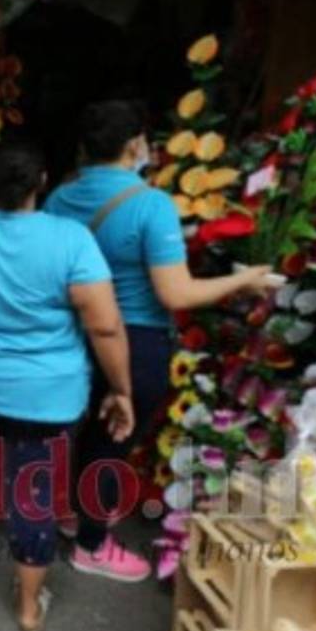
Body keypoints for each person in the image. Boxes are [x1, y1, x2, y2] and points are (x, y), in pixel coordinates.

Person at [44, 100, 278, 582]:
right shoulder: (151, 204)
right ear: (134, 145)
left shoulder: (59, 198)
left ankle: (71, 514)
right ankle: (91, 544)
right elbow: (175, 291)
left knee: (82, 428)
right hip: (134, 337)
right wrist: (242, 281)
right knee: (114, 438)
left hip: (72, 332)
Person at [0, 139, 134, 631]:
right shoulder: (71, 239)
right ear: (42, 183)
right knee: (34, 494)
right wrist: (121, 389)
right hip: (48, 395)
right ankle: (29, 607)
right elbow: (104, 326)